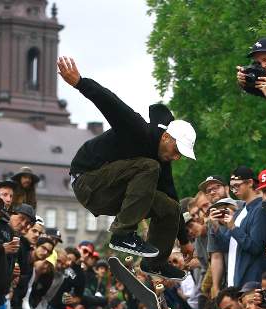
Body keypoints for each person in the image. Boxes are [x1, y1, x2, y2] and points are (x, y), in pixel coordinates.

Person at [58, 56, 195, 280]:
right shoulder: (137, 129)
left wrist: (184, 239)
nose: (177, 157)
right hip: (88, 181)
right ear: (167, 137)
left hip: (114, 193)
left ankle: (155, 264)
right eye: (177, 150)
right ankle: (123, 234)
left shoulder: (163, 160)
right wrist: (80, 82)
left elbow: (172, 194)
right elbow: (110, 102)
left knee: (169, 206)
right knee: (149, 167)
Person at [211, 166, 266, 289]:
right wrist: (215, 227)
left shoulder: (260, 209)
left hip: (253, 281)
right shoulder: (240, 212)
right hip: (236, 281)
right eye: (232, 187)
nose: (234, 190)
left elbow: (255, 247)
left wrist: (233, 227)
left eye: (237, 186)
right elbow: (226, 246)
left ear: (250, 183)